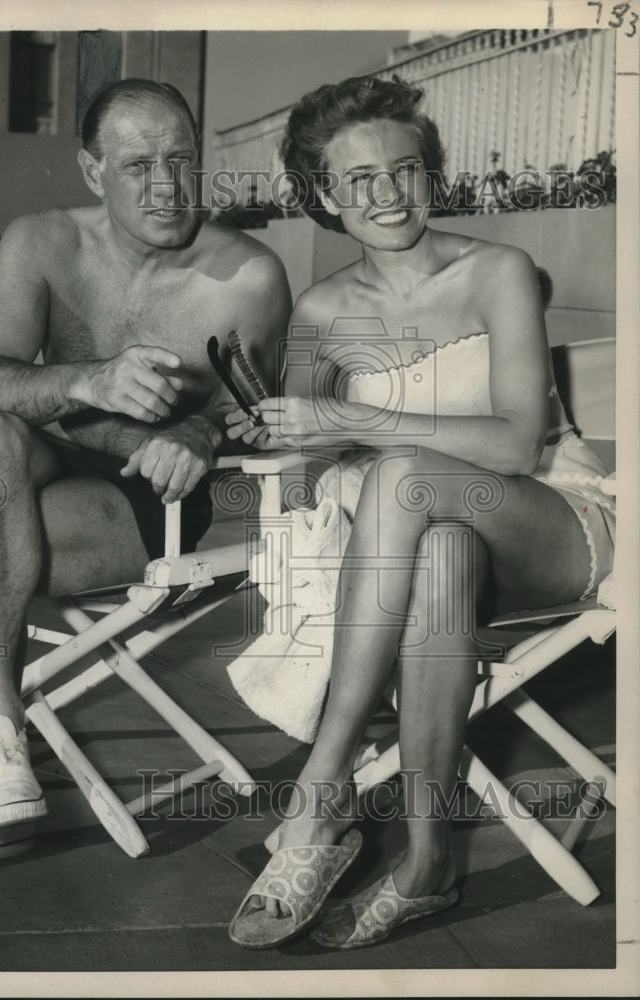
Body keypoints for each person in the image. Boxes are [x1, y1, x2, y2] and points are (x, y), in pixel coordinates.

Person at [224, 76, 615, 949]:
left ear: (430, 175)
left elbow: (518, 444)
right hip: (430, 545)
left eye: (404, 170)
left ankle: (321, 791)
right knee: (435, 549)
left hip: (550, 523)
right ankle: (430, 862)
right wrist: (275, 423)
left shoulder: (497, 272)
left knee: (403, 477)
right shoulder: (320, 313)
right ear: (323, 195)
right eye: (357, 180)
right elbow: (302, 451)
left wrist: (352, 419)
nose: (386, 194)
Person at [0, 78, 291, 878]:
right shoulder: (40, 242)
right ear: (90, 170)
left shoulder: (247, 276)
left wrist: (197, 430)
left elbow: (254, 414)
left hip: (147, 500)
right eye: (138, 164)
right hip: (36, 452)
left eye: (180, 159)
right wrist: (87, 380)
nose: (168, 185)